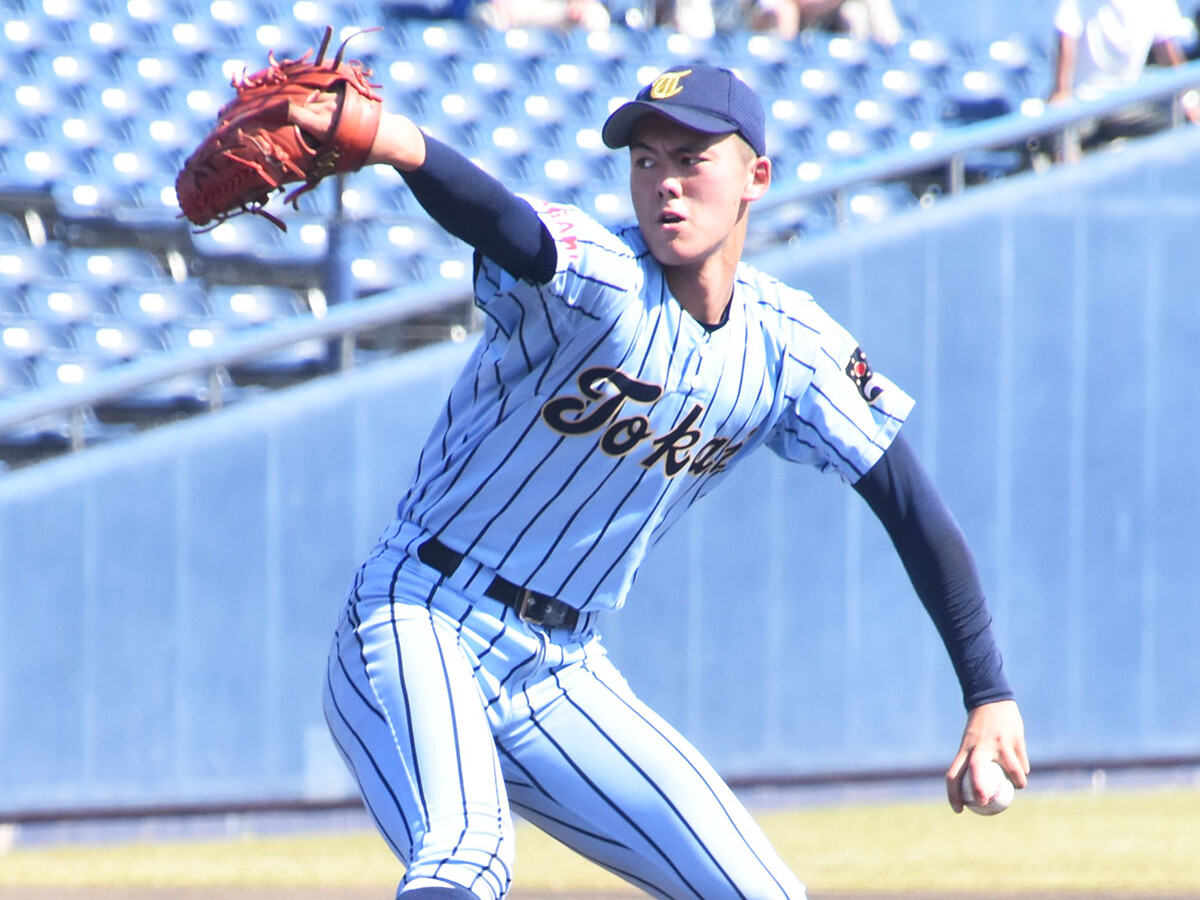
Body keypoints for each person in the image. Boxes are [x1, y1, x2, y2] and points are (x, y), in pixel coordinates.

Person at [300, 63, 1030, 899]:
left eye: (692, 159)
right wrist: (398, 144)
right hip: (420, 615)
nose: (665, 185)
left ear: (756, 175)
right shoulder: (603, 282)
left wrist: (989, 693)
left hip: (558, 668)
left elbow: (912, 509)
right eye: (646, 161)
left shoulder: (790, 347)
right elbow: (510, 227)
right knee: (467, 856)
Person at [1048, 0, 1200, 158]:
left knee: (1184, 122)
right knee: (1062, 144)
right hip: (1082, 104)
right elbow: (1066, 38)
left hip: (1127, 105)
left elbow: (1168, 53)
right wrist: (1062, 92)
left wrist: (1189, 100)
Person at [745, 0, 902, 45]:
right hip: (757, 19)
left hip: (824, 17)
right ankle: (785, 67)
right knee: (785, 11)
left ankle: (884, 60)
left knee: (857, 12)